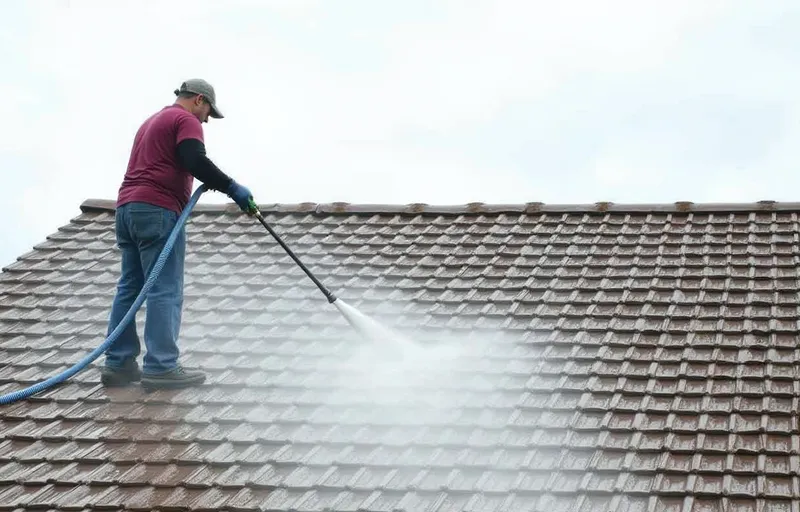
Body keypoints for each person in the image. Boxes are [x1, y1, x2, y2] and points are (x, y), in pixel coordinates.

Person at [101, 78, 253, 390]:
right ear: (199, 99)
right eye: (208, 112)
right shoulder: (185, 119)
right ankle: (161, 366)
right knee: (165, 288)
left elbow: (180, 160)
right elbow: (194, 159)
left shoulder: (151, 121)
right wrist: (231, 187)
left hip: (127, 210)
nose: (206, 119)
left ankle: (118, 363)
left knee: (129, 287)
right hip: (157, 210)